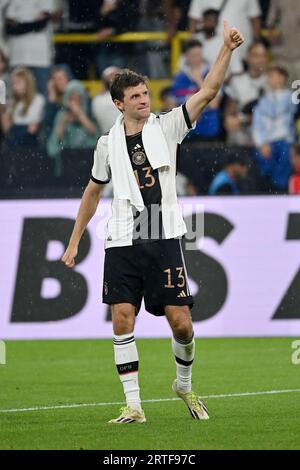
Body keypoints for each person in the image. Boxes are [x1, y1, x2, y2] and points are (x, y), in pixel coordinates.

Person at [62, 21, 244, 424]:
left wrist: (226, 50)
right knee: (122, 317)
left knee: (181, 323)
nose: (144, 100)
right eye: (136, 96)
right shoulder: (106, 145)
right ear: (118, 104)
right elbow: (93, 192)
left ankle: (183, 383)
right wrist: (75, 240)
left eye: (145, 93)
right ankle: (134, 405)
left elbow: (209, 90)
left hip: (162, 235)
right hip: (123, 237)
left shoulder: (168, 125)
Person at [252, 65, 297, 191]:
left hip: (285, 142)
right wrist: (261, 144)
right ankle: (268, 192)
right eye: (269, 77)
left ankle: (279, 193)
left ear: (282, 77)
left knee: (284, 168)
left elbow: (293, 120)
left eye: (273, 76)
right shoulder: (263, 101)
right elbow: (257, 124)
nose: (270, 80)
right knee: (265, 168)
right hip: (268, 143)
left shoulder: (291, 98)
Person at [172, 39, 222, 140]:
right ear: (186, 57)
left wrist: (199, 80)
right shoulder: (179, 78)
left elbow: (214, 104)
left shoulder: (213, 75)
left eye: (199, 54)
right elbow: (174, 105)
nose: (197, 59)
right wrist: (191, 114)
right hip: (186, 134)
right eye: (193, 55)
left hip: (209, 132)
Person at [47, 80, 98, 176]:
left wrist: (80, 115)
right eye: (72, 98)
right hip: (67, 156)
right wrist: (64, 122)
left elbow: (94, 133)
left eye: (77, 98)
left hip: (86, 156)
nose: (75, 102)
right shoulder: (61, 115)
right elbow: (56, 139)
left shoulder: (89, 113)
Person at [224, 41, 268, 146]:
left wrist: (242, 119)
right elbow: (230, 111)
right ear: (247, 58)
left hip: (265, 136)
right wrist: (229, 119)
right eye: (256, 56)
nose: (260, 60)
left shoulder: (272, 81)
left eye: (263, 56)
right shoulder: (237, 81)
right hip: (241, 135)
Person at [188, 0, 261, 62]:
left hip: (242, 51)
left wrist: (256, 45)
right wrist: (191, 45)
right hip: (210, 54)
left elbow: (255, 19)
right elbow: (194, 19)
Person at [92, 65, 121, 134]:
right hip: (108, 135)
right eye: (111, 75)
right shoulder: (98, 99)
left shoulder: (128, 95)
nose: (114, 78)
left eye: (117, 75)